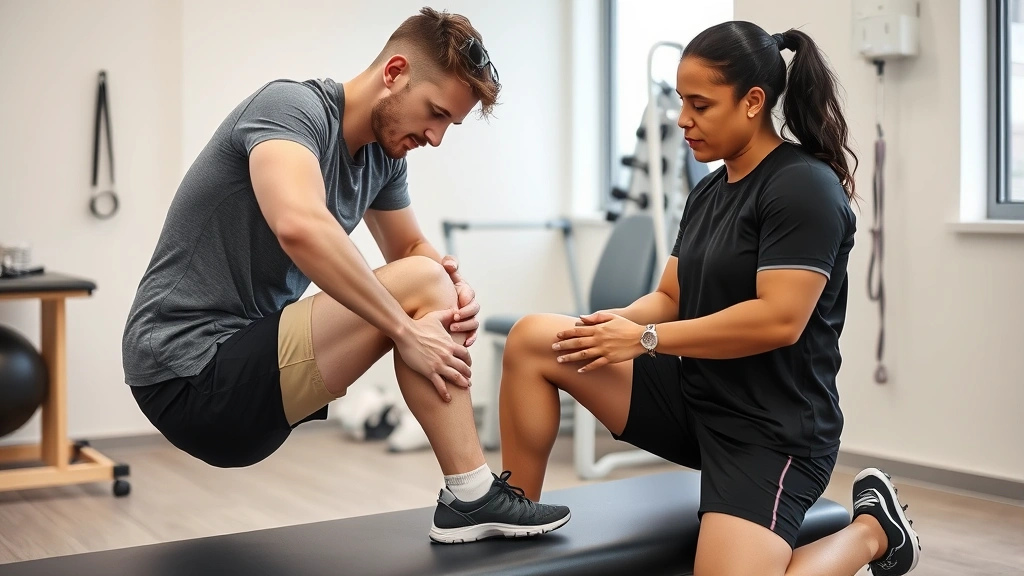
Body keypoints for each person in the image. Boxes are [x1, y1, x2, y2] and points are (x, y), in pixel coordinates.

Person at [121, 7, 570, 544]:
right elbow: (299, 225)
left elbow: (411, 249)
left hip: (244, 376)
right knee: (421, 285)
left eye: (449, 123)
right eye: (435, 113)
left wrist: (455, 285)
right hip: (186, 370)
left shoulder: (383, 158)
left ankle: (468, 497)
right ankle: (471, 495)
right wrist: (408, 327)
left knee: (429, 279)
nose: (436, 137)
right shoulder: (291, 108)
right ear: (395, 71)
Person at [498, 21, 920, 576]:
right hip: (695, 401)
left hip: (771, 433)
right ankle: (511, 513)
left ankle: (874, 532)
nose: (682, 120)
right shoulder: (708, 191)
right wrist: (611, 325)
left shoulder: (802, 187)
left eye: (700, 105)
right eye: (680, 102)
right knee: (536, 339)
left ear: (752, 102)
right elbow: (671, 296)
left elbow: (779, 320)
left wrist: (644, 340)